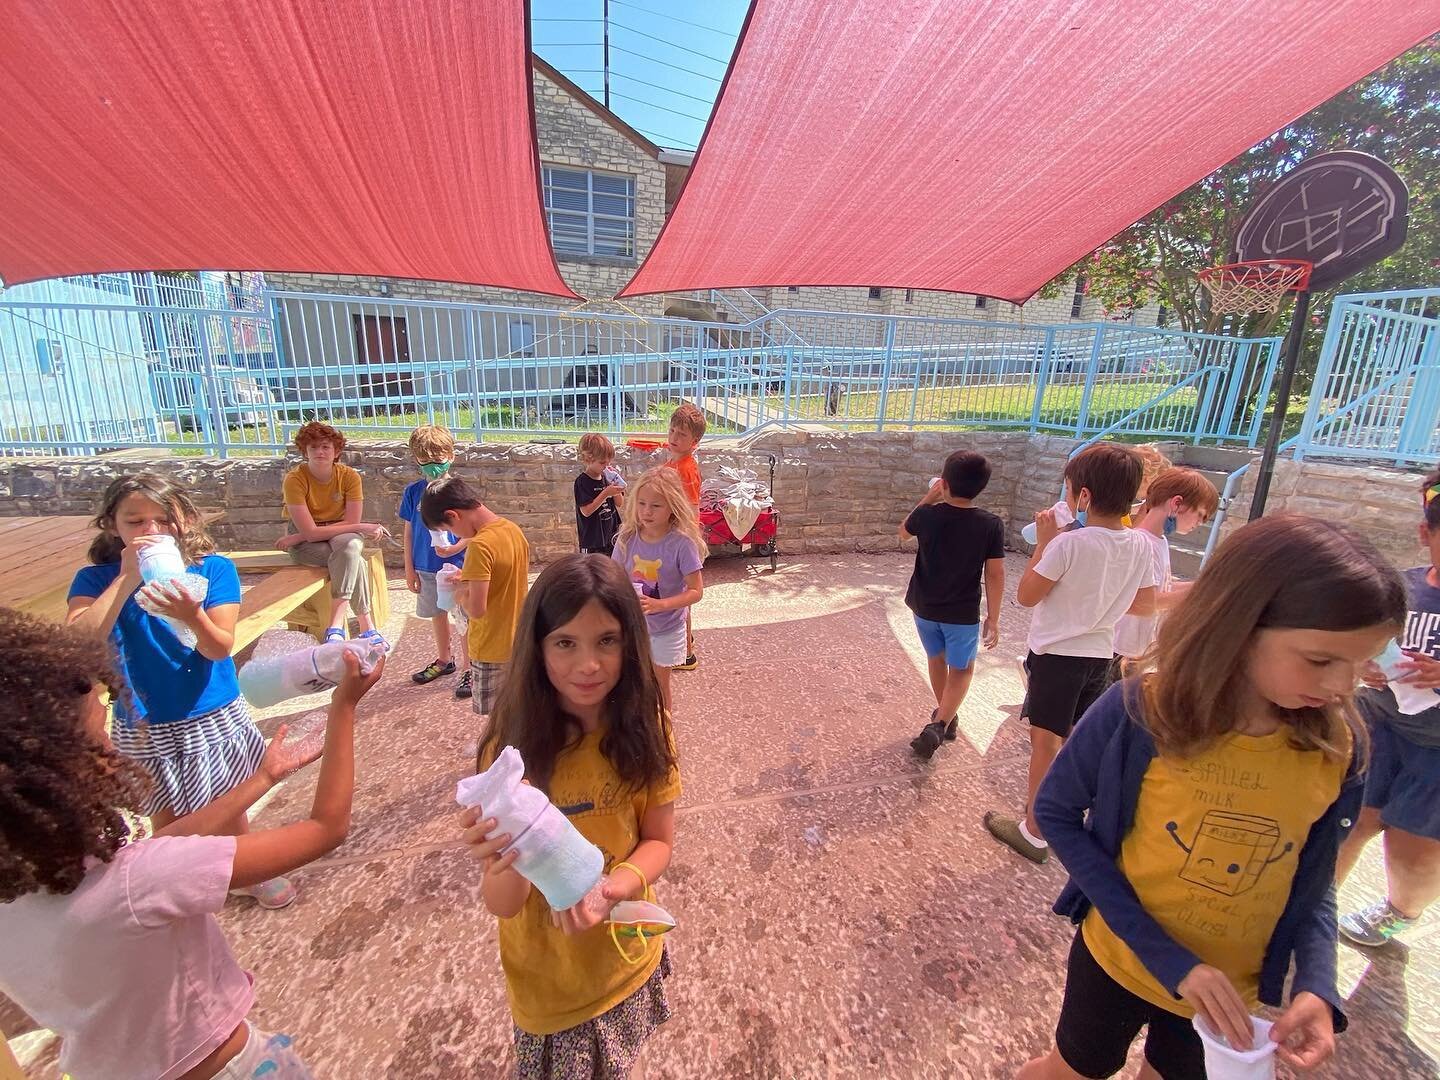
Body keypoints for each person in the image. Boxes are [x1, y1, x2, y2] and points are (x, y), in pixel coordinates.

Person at [1019, 515, 1406, 1080]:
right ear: (1238, 625)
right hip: (1120, 963)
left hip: (1227, 997)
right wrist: (1171, 959)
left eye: (1362, 662)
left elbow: (1315, 875)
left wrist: (1319, 983)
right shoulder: (1140, 712)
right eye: (1321, 660)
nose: (1342, 687)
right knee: (1074, 1070)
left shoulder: (1338, 746)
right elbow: (1056, 812)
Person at [0, 606, 384, 1079]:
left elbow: (157, 849)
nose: (115, 747)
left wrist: (260, 779)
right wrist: (343, 707)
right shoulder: (141, 883)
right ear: (58, 771)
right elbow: (326, 828)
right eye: (101, 737)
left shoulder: (25, 878)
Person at [460, 555, 679, 1079]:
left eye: (607, 640)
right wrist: (500, 859)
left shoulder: (649, 729)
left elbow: (659, 842)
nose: (588, 665)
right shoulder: (510, 755)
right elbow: (504, 905)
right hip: (551, 984)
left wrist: (611, 889)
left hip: (623, 955)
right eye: (565, 643)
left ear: (631, 642)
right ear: (536, 647)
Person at [67, 473, 294, 910]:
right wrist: (125, 579)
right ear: (113, 526)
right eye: (136, 522)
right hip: (144, 721)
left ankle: (244, 872)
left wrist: (191, 615)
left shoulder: (212, 570)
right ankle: (174, 881)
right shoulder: (95, 580)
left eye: (162, 521)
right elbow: (77, 645)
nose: (151, 532)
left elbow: (219, 647)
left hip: (209, 710)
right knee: (167, 815)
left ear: (184, 522)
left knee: (228, 804)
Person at [984, 443, 1157, 864]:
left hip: (1057, 657)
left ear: (1083, 497)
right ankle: (1066, 815)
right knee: (1072, 737)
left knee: (1045, 741)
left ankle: (1034, 831)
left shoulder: (1067, 545)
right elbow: (1145, 602)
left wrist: (1044, 543)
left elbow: (1026, 596)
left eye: (1069, 491)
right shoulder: (1139, 545)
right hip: (1101, 656)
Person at [1334, 467, 1440, 946]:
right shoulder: (1403, 587)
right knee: (1350, 817)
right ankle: (1311, 904)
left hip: (1436, 751)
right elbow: (1364, 643)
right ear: (1425, 534)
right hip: (1379, 722)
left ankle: (1401, 909)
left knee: (1413, 846)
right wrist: (1366, 665)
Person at [899, 450, 1005, 759]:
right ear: (981, 487)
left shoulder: (927, 514)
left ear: (943, 483)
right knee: (962, 668)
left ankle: (945, 716)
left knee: (936, 658)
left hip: (924, 607)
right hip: (961, 615)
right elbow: (995, 573)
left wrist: (928, 498)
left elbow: (903, 532)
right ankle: (940, 722)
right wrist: (993, 617)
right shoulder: (990, 524)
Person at [421, 476, 530, 723]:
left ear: (453, 515)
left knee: (496, 721)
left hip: (490, 646)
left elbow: (477, 609)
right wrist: (468, 578)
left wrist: (459, 591)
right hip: (517, 641)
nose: (453, 535)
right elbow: (504, 580)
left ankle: (499, 757)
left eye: (448, 530)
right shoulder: (512, 530)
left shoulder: (480, 546)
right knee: (515, 711)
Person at [277, 421, 389, 648]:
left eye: (326, 447)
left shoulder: (349, 476)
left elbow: (350, 522)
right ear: (304, 451)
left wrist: (305, 535)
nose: (320, 452)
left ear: (336, 451)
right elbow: (311, 530)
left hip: (336, 533)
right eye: (313, 447)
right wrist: (304, 536)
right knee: (351, 556)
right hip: (308, 540)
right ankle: (366, 626)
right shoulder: (295, 479)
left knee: (349, 548)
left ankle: (335, 627)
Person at [1109, 467, 1220, 682]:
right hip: (1118, 648)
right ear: (1176, 503)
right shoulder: (1139, 543)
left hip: (1134, 649)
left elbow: (1161, 590)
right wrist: (1206, 589)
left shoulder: (1159, 541)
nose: (1199, 523)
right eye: (1199, 514)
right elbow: (1143, 601)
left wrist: (1203, 585)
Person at [612, 468, 705, 715]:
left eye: (656, 505)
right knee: (633, 683)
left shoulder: (681, 544)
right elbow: (612, 577)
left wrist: (659, 605)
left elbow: (696, 591)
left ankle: (664, 735)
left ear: (673, 507)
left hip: (666, 628)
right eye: (641, 503)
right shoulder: (627, 539)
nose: (646, 512)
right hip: (632, 628)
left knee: (659, 683)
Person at [398, 424, 467, 689]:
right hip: (425, 566)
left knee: (462, 618)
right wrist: (409, 568)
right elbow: (408, 531)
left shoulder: (457, 491)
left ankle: (468, 666)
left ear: (451, 456)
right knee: (436, 613)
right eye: (425, 461)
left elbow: (475, 532)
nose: (432, 467)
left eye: (438, 461)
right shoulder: (413, 492)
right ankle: (443, 659)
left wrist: (454, 549)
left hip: (455, 567)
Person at [663, 402, 706, 671]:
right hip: (674, 537)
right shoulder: (674, 463)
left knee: (682, 595)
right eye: (672, 431)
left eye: (681, 434)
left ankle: (686, 654)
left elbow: (689, 508)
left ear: (695, 441)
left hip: (681, 539)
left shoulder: (686, 468)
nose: (674, 438)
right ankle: (685, 640)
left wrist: (681, 541)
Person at [575, 432, 625, 557]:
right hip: (593, 541)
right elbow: (586, 511)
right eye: (602, 463)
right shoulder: (582, 482)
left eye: (609, 462)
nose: (607, 466)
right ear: (588, 459)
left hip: (611, 536)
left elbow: (620, 503)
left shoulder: (606, 477)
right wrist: (605, 494)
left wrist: (615, 486)